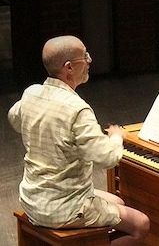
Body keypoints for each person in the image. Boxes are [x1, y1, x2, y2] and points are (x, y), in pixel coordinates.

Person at [7, 35, 149, 245]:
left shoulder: (31, 93)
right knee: (141, 225)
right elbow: (106, 157)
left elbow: (15, 119)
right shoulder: (77, 109)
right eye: (85, 56)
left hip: (33, 199)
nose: (90, 60)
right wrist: (117, 138)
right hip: (65, 208)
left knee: (117, 201)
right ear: (69, 68)